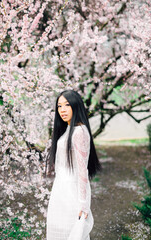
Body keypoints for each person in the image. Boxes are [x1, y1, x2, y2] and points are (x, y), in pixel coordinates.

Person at [46, 90, 101, 240]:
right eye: (59, 106)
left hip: (72, 191)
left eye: (67, 105)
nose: (62, 110)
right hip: (61, 188)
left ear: (76, 106)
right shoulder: (68, 130)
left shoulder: (79, 132)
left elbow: (82, 170)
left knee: (72, 232)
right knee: (59, 230)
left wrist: (83, 203)